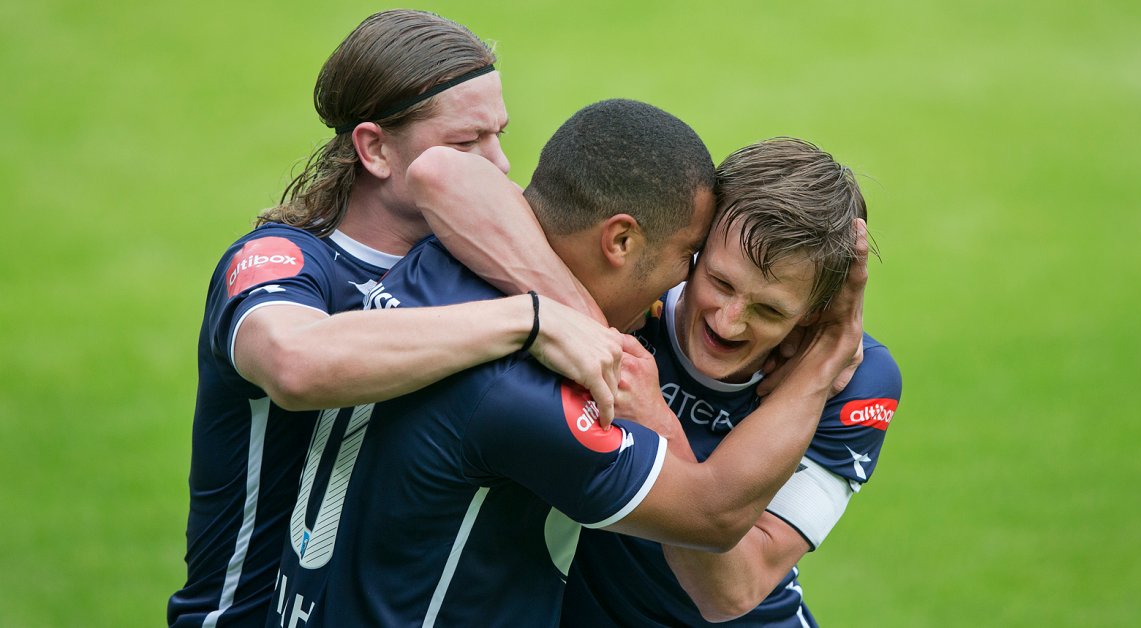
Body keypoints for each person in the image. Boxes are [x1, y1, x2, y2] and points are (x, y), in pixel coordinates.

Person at [266, 100, 867, 627]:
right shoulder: (539, 390)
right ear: (622, 241)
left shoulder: (443, 255)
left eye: (769, 310)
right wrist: (588, 333)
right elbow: (711, 516)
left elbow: (442, 171)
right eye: (693, 261)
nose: (718, 314)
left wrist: (575, 322)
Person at [168, 10, 625, 627]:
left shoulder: (478, 257)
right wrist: (529, 318)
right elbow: (295, 364)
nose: (498, 165)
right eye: (464, 143)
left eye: (498, 135)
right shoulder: (281, 262)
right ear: (375, 149)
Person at [560, 138, 902, 626]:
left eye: (769, 310)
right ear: (696, 247)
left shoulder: (858, 384)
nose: (729, 322)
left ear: (813, 313)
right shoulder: (625, 300)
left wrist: (657, 421)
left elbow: (731, 592)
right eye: (720, 283)